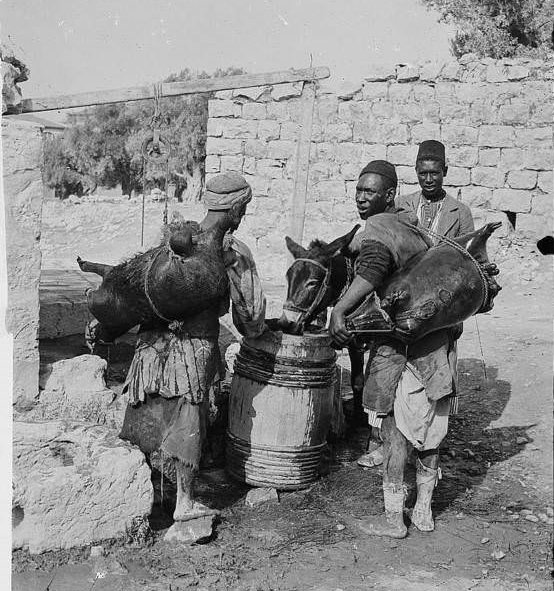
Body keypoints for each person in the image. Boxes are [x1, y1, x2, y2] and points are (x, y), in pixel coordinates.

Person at [118, 172, 266, 537]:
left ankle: (147, 491)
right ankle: (184, 501)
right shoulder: (232, 252)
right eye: (243, 209)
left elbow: (141, 285)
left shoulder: (172, 240)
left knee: (148, 406)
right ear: (235, 209)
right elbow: (248, 314)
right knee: (189, 413)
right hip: (194, 346)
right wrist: (258, 331)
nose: (243, 216)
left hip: (152, 343)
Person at [329, 160, 458, 538]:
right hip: (435, 345)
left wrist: (339, 309)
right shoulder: (411, 229)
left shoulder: (380, 228)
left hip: (400, 348)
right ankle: (423, 511)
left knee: (395, 429)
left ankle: (393, 520)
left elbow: (371, 269)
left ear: (389, 195)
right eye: (358, 190)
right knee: (433, 427)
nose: (361, 197)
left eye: (370, 192)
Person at [357, 140, 474, 468]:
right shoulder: (404, 208)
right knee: (386, 365)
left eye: (435, 173)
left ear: (445, 172)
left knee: (434, 371)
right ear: (416, 173)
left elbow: (468, 260)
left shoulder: (459, 213)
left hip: (440, 306)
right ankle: (380, 440)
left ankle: (428, 442)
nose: (428, 179)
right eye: (423, 173)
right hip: (401, 300)